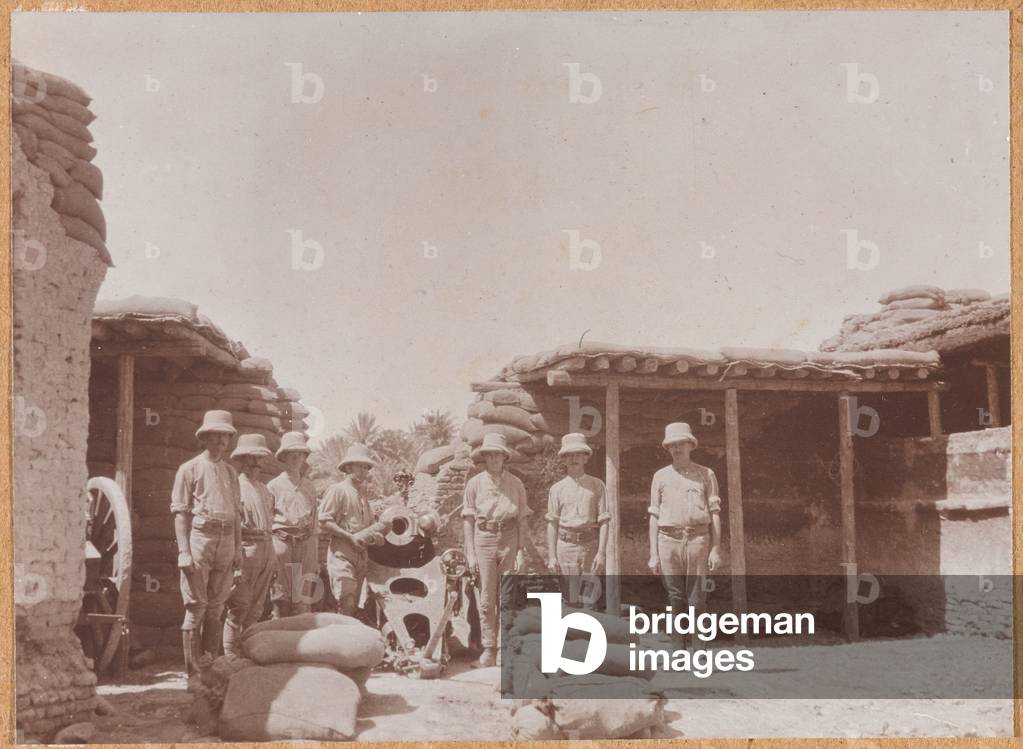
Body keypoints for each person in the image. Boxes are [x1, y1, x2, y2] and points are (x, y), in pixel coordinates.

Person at [171, 410, 242, 672]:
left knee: (216, 607)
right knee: (196, 607)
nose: (221, 441)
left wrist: (237, 548)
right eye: (216, 436)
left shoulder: (231, 473)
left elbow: (236, 514)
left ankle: (209, 668)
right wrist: (184, 551)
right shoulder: (189, 469)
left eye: (225, 437)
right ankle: (193, 673)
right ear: (204, 438)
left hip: (227, 540)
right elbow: (180, 513)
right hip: (201, 538)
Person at [462, 432, 539, 667]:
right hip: (483, 539)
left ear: (505, 457)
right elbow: (468, 520)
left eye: (498, 455)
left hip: (509, 538)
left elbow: (522, 519)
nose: (494, 459)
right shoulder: (474, 484)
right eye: (489, 455)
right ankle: (489, 649)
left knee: (507, 597)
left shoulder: (516, 484)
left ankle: (505, 648)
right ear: (484, 458)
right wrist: (471, 554)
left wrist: (520, 551)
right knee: (486, 597)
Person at [648, 422, 722, 639]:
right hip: (667, 540)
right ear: (667, 449)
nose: (677, 449)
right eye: (672, 445)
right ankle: (678, 651)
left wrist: (716, 549)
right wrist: (653, 554)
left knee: (697, 599)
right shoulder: (660, 476)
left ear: (691, 445)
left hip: (697, 539)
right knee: (674, 598)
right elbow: (654, 516)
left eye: (681, 444)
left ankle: (699, 652)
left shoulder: (706, 474)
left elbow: (715, 513)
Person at [222, 433, 277, 657]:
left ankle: (246, 653)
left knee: (256, 607)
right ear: (242, 459)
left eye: (260, 458)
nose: (257, 463)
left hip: (266, 548)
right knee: (240, 605)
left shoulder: (264, 490)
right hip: (247, 548)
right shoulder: (235, 486)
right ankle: (230, 655)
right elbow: (232, 524)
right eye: (252, 458)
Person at [318, 444, 383, 616]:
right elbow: (323, 521)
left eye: (366, 467)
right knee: (345, 601)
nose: (364, 471)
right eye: (359, 466)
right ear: (348, 467)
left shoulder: (362, 494)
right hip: (342, 553)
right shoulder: (338, 490)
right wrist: (349, 537)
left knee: (353, 606)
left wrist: (376, 537)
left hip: (361, 555)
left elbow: (369, 526)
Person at [546, 433, 609, 605]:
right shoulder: (557, 489)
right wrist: (552, 556)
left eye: (578, 454)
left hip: (590, 547)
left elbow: (604, 521)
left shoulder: (597, 485)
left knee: (590, 599)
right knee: (570, 599)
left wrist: (601, 553)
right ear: (563, 459)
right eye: (569, 455)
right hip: (566, 547)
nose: (574, 459)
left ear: (586, 458)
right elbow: (552, 523)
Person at [267, 431, 319, 617]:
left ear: (304, 457)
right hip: (282, 543)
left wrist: (314, 556)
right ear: (284, 457)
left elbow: (314, 522)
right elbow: (267, 522)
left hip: (305, 543)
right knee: (281, 598)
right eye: (292, 454)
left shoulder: (309, 486)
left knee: (303, 599)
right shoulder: (274, 486)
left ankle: (302, 633)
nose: (296, 459)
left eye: (300, 454)